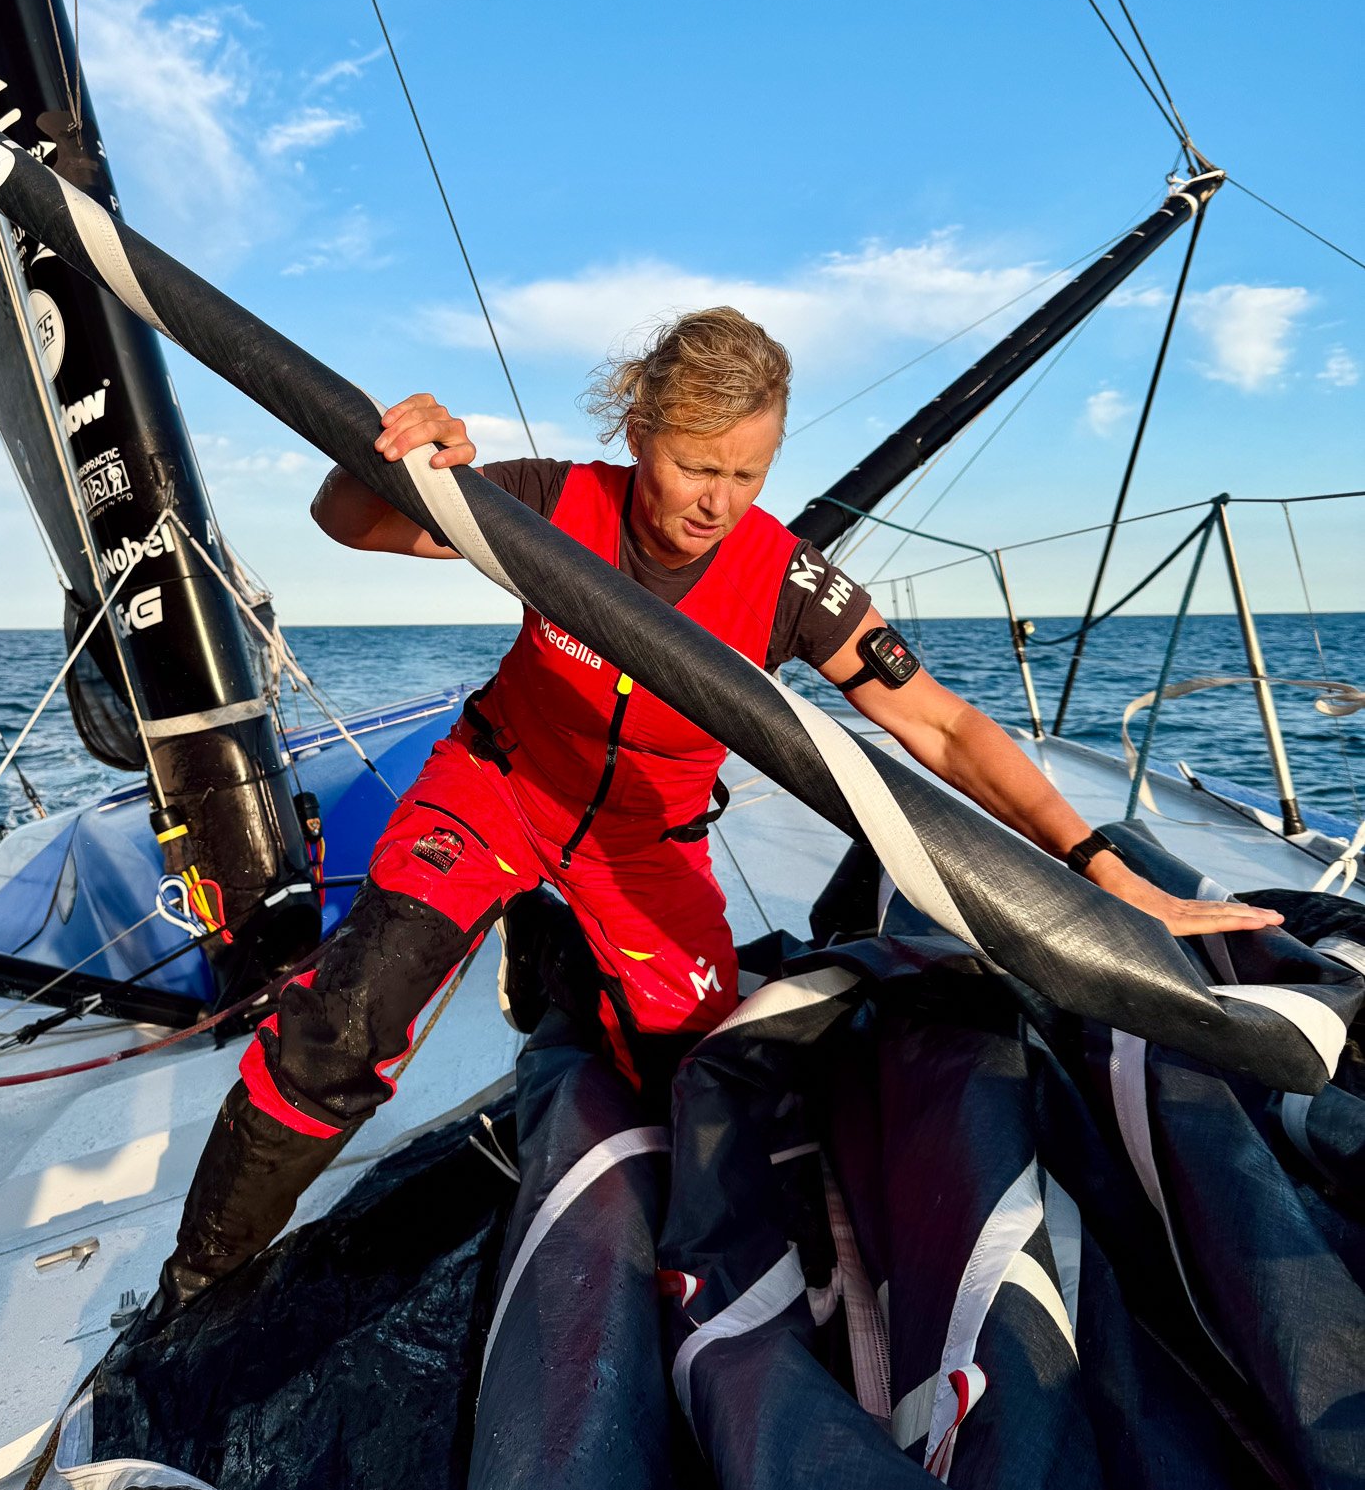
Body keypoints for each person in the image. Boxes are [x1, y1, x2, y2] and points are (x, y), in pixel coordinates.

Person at [156, 307, 1280, 1311]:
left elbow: (939, 726)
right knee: (348, 1011)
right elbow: (348, 520)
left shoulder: (788, 578)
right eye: (698, 466)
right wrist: (390, 452)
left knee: (706, 1080)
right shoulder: (552, 501)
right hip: (498, 786)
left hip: (646, 840)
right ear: (640, 430)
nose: (719, 503)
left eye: (750, 473)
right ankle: (195, 1283)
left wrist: (1099, 865)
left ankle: (562, 961)